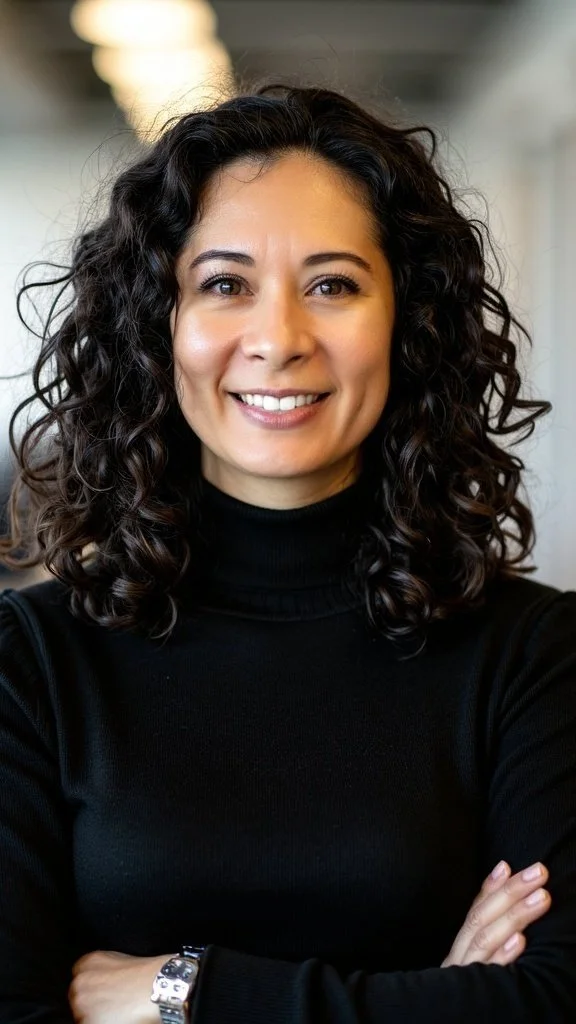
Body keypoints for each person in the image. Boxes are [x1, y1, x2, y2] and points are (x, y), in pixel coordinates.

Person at [0, 81, 574, 1024]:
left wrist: (176, 990)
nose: (279, 338)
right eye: (225, 284)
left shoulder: (531, 657)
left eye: (333, 285)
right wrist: (436, 999)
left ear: (407, 320)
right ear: (161, 326)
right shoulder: (35, 663)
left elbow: (556, 1002)